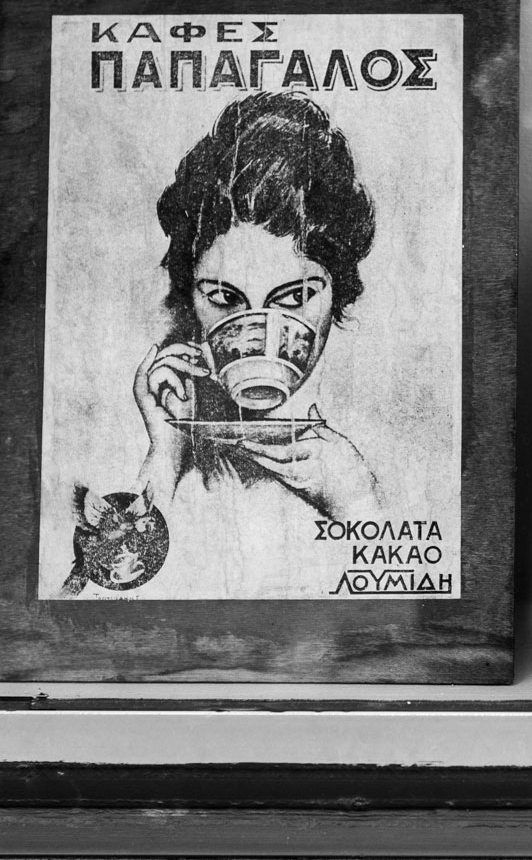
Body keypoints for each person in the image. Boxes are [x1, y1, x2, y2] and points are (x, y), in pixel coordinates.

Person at [102, 92, 382, 595]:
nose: (256, 332)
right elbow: (110, 596)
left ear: (337, 291)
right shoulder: (175, 456)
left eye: (294, 297)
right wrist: (166, 451)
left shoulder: (359, 467)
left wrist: (356, 503)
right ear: (191, 296)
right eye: (224, 297)